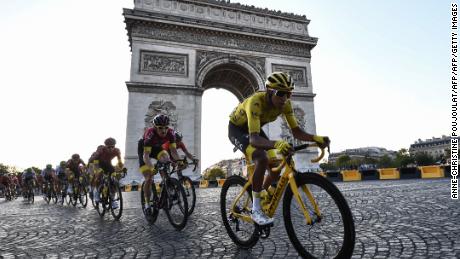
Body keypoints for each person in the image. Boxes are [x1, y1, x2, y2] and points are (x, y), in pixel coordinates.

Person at [228, 71, 330, 226]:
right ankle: (256, 210)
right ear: (269, 91)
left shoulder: (286, 104)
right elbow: (254, 140)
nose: (285, 99)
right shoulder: (255, 102)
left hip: (255, 129)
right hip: (237, 129)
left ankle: (261, 192)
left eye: (289, 94)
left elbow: (296, 132)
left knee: (275, 168)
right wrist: (277, 144)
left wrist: (315, 138)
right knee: (261, 158)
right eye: (281, 93)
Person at [138, 114, 183, 215]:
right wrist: (151, 167)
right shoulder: (150, 134)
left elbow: (173, 152)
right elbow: (146, 156)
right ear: (154, 127)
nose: (163, 131)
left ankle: (166, 184)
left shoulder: (171, 133)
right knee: (149, 177)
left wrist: (179, 161)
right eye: (160, 128)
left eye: (166, 127)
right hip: (144, 149)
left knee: (166, 159)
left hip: (157, 148)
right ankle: (147, 204)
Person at [90, 138, 123, 208]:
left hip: (108, 164)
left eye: (112, 146)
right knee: (99, 173)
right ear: (105, 146)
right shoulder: (101, 150)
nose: (111, 148)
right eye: (109, 147)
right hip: (98, 163)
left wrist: (122, 169)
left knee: (113, 179)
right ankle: (96, 192)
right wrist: (96, 170)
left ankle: (113, 199)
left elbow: (120, 162)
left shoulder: (117, 151)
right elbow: (94, 160)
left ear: (115, 146)